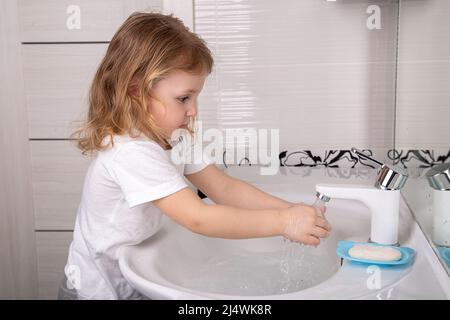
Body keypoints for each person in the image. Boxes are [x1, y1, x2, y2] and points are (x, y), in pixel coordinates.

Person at [58, 11, 332, 300]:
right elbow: (198, 218)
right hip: (96, 290)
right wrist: (284, 224)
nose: (193, 111)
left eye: (195, 97)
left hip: (130, 279)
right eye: (183, 98)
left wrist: (288, 210)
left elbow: (224, 188)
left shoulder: (174, 137)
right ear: (136, 91)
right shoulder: (129, 151)